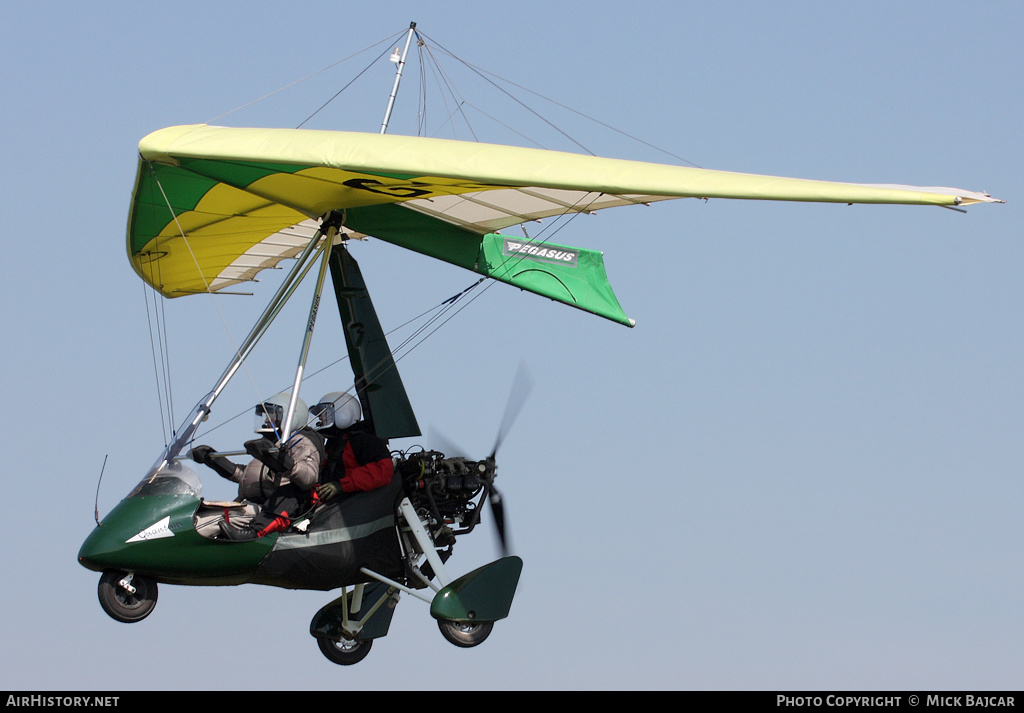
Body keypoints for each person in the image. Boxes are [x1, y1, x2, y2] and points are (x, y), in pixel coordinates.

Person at [191, 392, 325, 541]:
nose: (267, 420)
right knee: (200, 513)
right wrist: (213, 460)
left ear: (289, 416)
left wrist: (284, 463)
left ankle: (252, 535)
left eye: (272, 416)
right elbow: (250, 478)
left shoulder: (301, 442)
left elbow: (309, 477)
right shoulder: (272, 443)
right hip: (252, 505)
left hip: (275, 508)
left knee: (202, 524)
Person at [309, 391, 394, 503]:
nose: (321, 419)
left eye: (326, 414)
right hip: (333, 506)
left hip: (355, 506)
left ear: (343, 413)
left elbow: (383, 471)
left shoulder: (362, 440)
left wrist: (341, 485)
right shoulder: (333, 444)